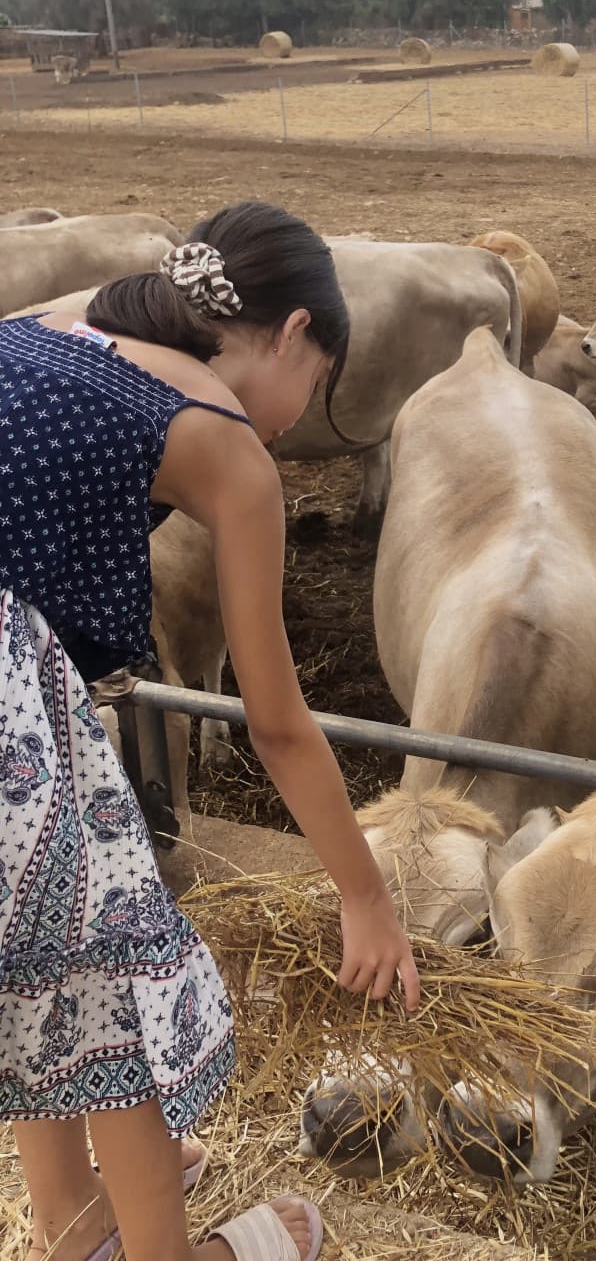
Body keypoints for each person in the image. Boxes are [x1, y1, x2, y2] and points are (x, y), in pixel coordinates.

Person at [0, 202, 420, 1261]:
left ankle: (75, 1222)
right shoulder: (228, 447)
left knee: (40, 959)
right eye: (316, 382)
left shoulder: (50, 323)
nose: (297, 417)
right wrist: (365, 899)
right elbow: (276, 725)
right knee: (109, 991)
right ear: (288, 336)